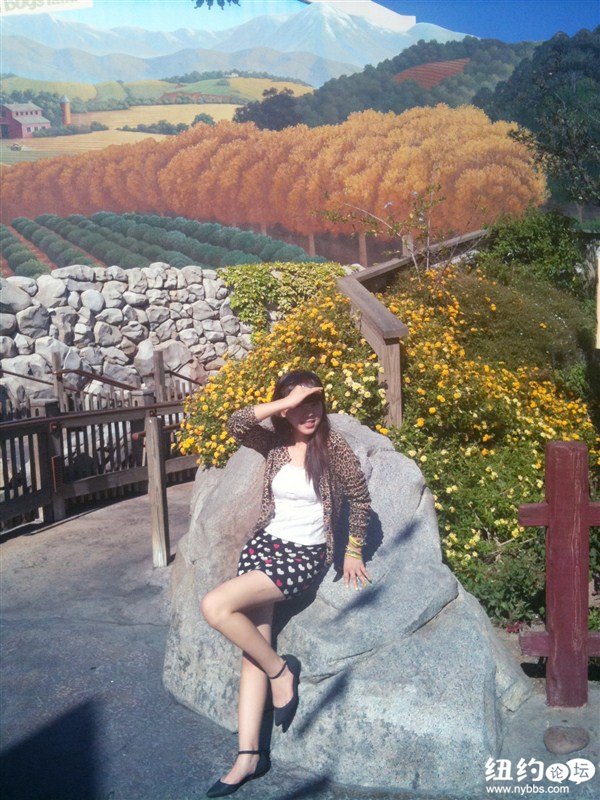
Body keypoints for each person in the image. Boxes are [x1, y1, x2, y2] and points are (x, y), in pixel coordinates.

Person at [201, 369, 372, 797]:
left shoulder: (332, 446)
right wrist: (284, 403)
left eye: (314, 402)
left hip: (303, 556)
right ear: (284, 410)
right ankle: (248, 755)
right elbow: (236, 423)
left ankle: (281, 672)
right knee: (253, 652)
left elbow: (360, 498)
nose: (308, 413)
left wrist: (352, 550)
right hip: (263, 547)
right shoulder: (275, 443)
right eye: (298, 405)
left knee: (215, 607)